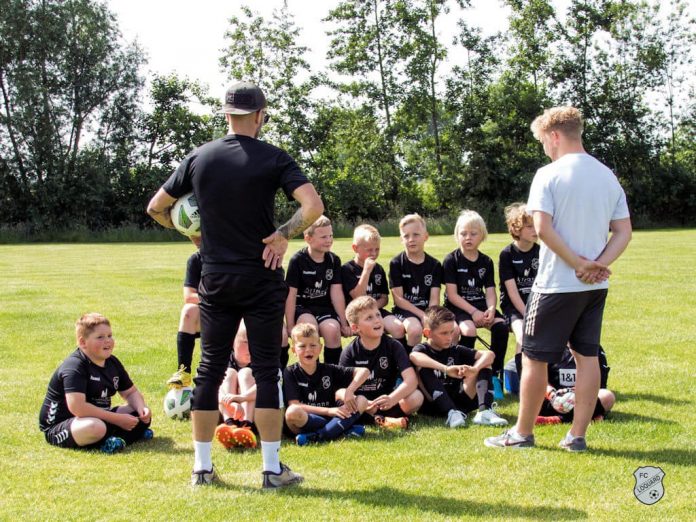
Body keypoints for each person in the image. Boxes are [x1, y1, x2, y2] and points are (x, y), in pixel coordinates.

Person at [147, 81, 324, 488]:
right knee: (266, 372)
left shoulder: (199, 157)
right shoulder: (274, 158)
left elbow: (157, 207)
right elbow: (313, 206)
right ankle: (271, 469)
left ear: (226, 114)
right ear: (260, 115)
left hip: (216, 277)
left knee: (209, 371)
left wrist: (194, 236)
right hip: (261, 275)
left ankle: (202, 469)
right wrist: (283, 234)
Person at [485, 106, 631, 452]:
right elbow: (624, 232)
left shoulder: (548, 174)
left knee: (534, 358)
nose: (545, 149)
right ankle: (576, 437)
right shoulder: (607, 175)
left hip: (555, 285)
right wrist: (597, 265)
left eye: (543, 142)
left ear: (554, 136)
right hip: (594, 287)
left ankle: (522, 433)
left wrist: (578, 263)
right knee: (587, 358)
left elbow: (543, 229)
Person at [39, 313, 152, 454]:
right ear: (82, 342)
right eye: (100, 337)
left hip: (99, 416)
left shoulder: (113, 362)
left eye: (110, 336)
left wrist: (142, 409)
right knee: (95, 427)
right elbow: (78, 408)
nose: (108, 341)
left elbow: (130, 392)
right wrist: (117, 419)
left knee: (139, 413)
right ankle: (123, 437)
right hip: (64, 425)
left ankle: (118, 439)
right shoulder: (74, 366)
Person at [442, 210, 509, 397]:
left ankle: (494, 375)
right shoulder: (450, 260)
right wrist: (473, 312)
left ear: (482, 236)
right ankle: (468, 375)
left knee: (501, 326)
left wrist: (490, 309)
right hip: (458, 307)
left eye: (473, 233)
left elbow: (489, 291)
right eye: (463, 233)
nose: (468, 238)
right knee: (468, 330)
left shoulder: (486, 262)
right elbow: (452, 295)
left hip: (480, 306)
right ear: (457, 236)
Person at [410, 306, 508, 428]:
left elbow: (490, 354)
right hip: (433, 405)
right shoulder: (422, 349)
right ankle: (450, 412)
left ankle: (484, 411)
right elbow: (414, 357)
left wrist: (474, 370)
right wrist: (445, 369)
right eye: (444, 333)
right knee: (422, 366)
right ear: (427, 333)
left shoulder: (454, 349)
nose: (449, 337)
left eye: (451, 332)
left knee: (484, 363)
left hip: (459, 401)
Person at [339, 296, 423, 428]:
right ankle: (381, 420)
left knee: (416, 397)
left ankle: (378, 419)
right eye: (369, 318)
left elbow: (411, 380)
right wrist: (365, 404)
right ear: (355, 328)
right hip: (362, 404)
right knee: (342, 400)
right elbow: (342, 389)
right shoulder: (349, 352)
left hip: (387, 402)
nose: (377, 320)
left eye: (378, 315)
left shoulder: (394, 346)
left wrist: (392, 398)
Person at [284, 323, 370, 445]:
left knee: (362, 400)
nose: (308, 350)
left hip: (333, 417)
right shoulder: (290, 372)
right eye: (302, 346)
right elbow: (296, 405)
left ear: (320, 348)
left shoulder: (328, 369)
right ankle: (342, 430)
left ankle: (318, 436)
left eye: (313, 345)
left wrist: (350, 391)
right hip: (309, 419)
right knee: (292, 412)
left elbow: (364, 371)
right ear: (294, 351)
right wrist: (329, 411)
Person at [285, 215, 350, 365]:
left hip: (324, 308)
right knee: (309, 331)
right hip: (303, 309)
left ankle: (333, 374)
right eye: (323, 237)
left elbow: (336, 293)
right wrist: (289, 326)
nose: (329, 240)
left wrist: (343, 322)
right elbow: (291, 294)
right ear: (308, 238)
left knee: (333, 330)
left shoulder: (334, 260)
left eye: (331, 235)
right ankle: (310, 373)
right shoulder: (298, 260)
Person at [341, 224, 405, 343]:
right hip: (357, 315)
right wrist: (366, 271)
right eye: (369, 250)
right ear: (355, 248)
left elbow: (384, 298)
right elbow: (357, 296)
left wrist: (373, 308)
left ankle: (401, 359)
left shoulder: (378, 269)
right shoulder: (347, 269)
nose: (374, 254)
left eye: (377, 249)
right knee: (371, 327)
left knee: (398, 327)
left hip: (376, 310)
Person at [389, 214, 443, 353]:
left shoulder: (434, 265)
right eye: (406, 236)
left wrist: (430, 317)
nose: (411, 239)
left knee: (450, 329)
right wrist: (421, 315)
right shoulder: (396, 263)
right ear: (401, 239)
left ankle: (437, 365)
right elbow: (398, 299)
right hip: (405, 311)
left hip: (428, 311)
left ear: (426, 236)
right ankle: (406, 367)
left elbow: (434, 298)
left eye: (416, 235)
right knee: (415, 330)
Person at [498, 203, 540, 380]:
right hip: (515, 309)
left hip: (538, 306)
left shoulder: (541, 251)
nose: (535, 229)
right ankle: (523, 382)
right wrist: (527, 314)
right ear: (516, 228)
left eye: (536, 224)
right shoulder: (507, 254)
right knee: (523, 337)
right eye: (529, 226)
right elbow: (512, 292)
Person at [536, 345, 614, 425]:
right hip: (552, 399)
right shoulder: (547, 345)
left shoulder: (594, 348)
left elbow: (599, 384)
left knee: (607, 396)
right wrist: (552, 395)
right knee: (531, 395)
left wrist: (573, 392)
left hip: (582, 399)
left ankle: (559, 419)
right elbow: (539, 378)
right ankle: (592, 416)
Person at [214, 321, 258, 449]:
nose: (250, 348)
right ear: (233, 342)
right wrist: (230, 402)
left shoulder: (261, 360)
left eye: (254, 342)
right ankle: (230, 425)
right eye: (245, 342)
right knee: (228, 373)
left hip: (255, 408)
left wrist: (242, 397)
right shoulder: (223, 358)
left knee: (246, 374)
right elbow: (212, 386)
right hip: (227, 409)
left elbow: (266, 386)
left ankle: (247, 427)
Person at [167, 243, 201, 388]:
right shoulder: (196, 259)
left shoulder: (232, 255)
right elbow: (189, 296)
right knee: (189, 311)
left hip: (234, 312)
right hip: (211, 308)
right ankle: (184, 371)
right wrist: (215, 298)